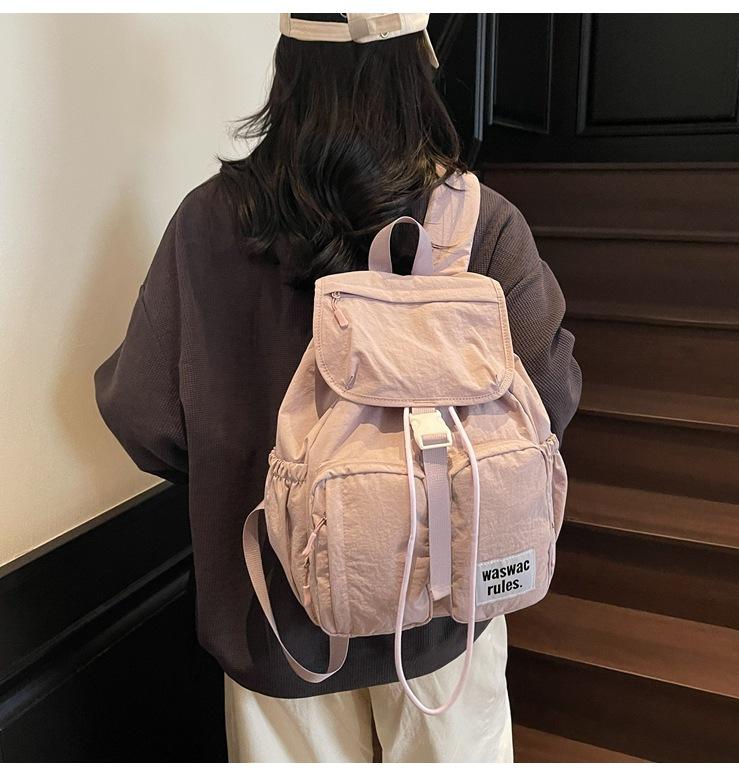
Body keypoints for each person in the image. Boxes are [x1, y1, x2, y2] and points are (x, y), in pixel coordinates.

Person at [94, 13, 581, 764]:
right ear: (418, 65)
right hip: (444, 614)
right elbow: (549, 398)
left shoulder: (207, 224)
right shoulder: (481, 223)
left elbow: (142, 416)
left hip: (274, 621)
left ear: (288, 68)